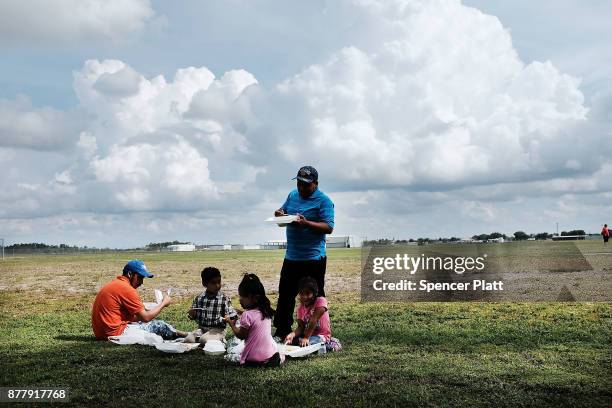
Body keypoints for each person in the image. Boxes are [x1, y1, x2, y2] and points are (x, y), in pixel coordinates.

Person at [273, 165, 334, 340]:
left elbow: (328, 227)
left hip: (313, 259)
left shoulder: (324, 201)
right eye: (299, 183)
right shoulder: (292, 195)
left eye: (306, 185)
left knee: (315, 298)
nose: (302, 188)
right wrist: (280, 213)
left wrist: (307, 224)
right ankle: (282, 331)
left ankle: (320, 333)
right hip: (292, 257)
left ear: (316, 184)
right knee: (285, 295)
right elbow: (283, 213)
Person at [91, 260, 186, 340]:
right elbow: (146, 317)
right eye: (139, 278)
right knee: (159, 325)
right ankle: (186, 336)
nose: (141, 282)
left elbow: (134, 317)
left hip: (101, 334)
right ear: (129, 274)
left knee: (150, 323)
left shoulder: (116, 284)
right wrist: (163, 304)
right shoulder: (127, 289)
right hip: (114, 333)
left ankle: (184, 334)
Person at [224, 274, 284, 367]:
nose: (240, 300)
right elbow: (255, 319)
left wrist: (231, 323)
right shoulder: (266, 311)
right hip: (269, 355)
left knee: (229, 355)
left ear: (255, 298)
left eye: (243, 297)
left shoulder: (247, 315)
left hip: (252, 358)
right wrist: (241, 313)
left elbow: (241, 336)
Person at [284, 277, 341, 352]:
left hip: (321, 336)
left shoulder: (321, 301)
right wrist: (292, 335)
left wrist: (306, 338)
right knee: (291, 343)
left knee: (304, 346)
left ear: (314, 293)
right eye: (301, 293)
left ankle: (332, 344)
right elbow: (301, 327)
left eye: (308, 293)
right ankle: (313, 346)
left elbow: (313, 320)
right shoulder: (300, 308)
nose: (304, 297)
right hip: (307, 337)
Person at [186, 266, 238, 345]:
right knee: (188, 340)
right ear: (204, 284)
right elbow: (193, 316)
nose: (217, 285)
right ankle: (202, 339)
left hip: (218, 330)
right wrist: (192, 314)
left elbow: (233, 316)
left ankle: (220, 340)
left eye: (219, 282)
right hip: (202, 329)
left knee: (203, 340)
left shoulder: (224, 298)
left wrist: (228, 319)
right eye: (213, 283)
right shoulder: (199, 298)